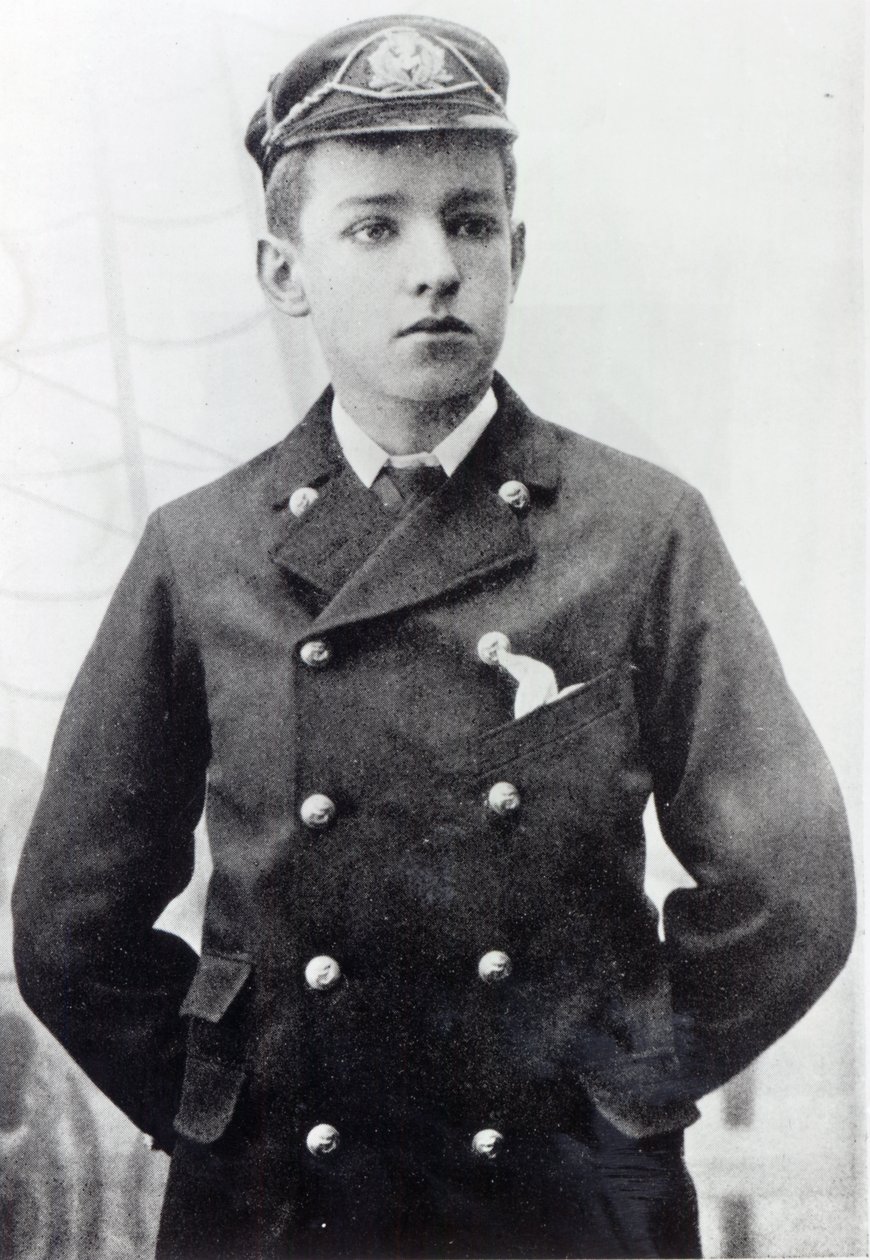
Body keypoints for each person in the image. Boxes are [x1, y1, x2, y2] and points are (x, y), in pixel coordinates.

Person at [11, 14, 856, 1260]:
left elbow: (792, 890)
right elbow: (69, 929)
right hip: (283, 1212)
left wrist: (620, 1086)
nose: (437, 268)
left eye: (470, 223)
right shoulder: (201, 553)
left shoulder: (640, 532)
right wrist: (227, 1106)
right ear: (284, 272)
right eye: (376, 227)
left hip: (561, 1209)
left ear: (517, 250)